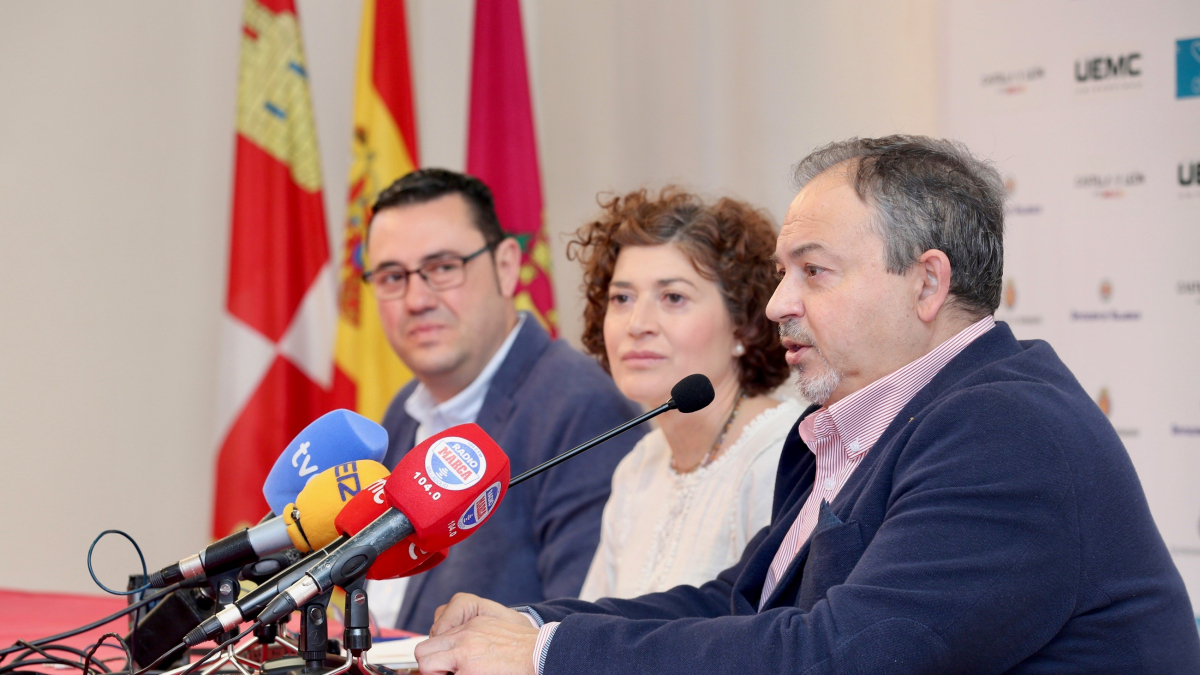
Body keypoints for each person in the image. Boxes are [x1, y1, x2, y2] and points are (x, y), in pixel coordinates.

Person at [412, 136, 1200, 674]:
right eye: (785, 272)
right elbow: (738, 600)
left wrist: (547, 655)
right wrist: (524, 621)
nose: (780, 302)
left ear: (927, 283)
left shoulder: (1006, 429)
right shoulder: (867, 423)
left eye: (814, 272)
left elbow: (839, 656)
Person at [362, 168, 645, 634]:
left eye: (443, 268)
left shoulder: (578, 406)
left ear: (507, 265)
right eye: (392, 276)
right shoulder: (402, 411)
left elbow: (580, 629)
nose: (416, 299)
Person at [567, 188, 800, 601]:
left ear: (743, 326)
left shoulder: (782, 456)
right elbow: (589, 627)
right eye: (621, 298)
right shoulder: (639, 466)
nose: (637, 324)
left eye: (673, 297)